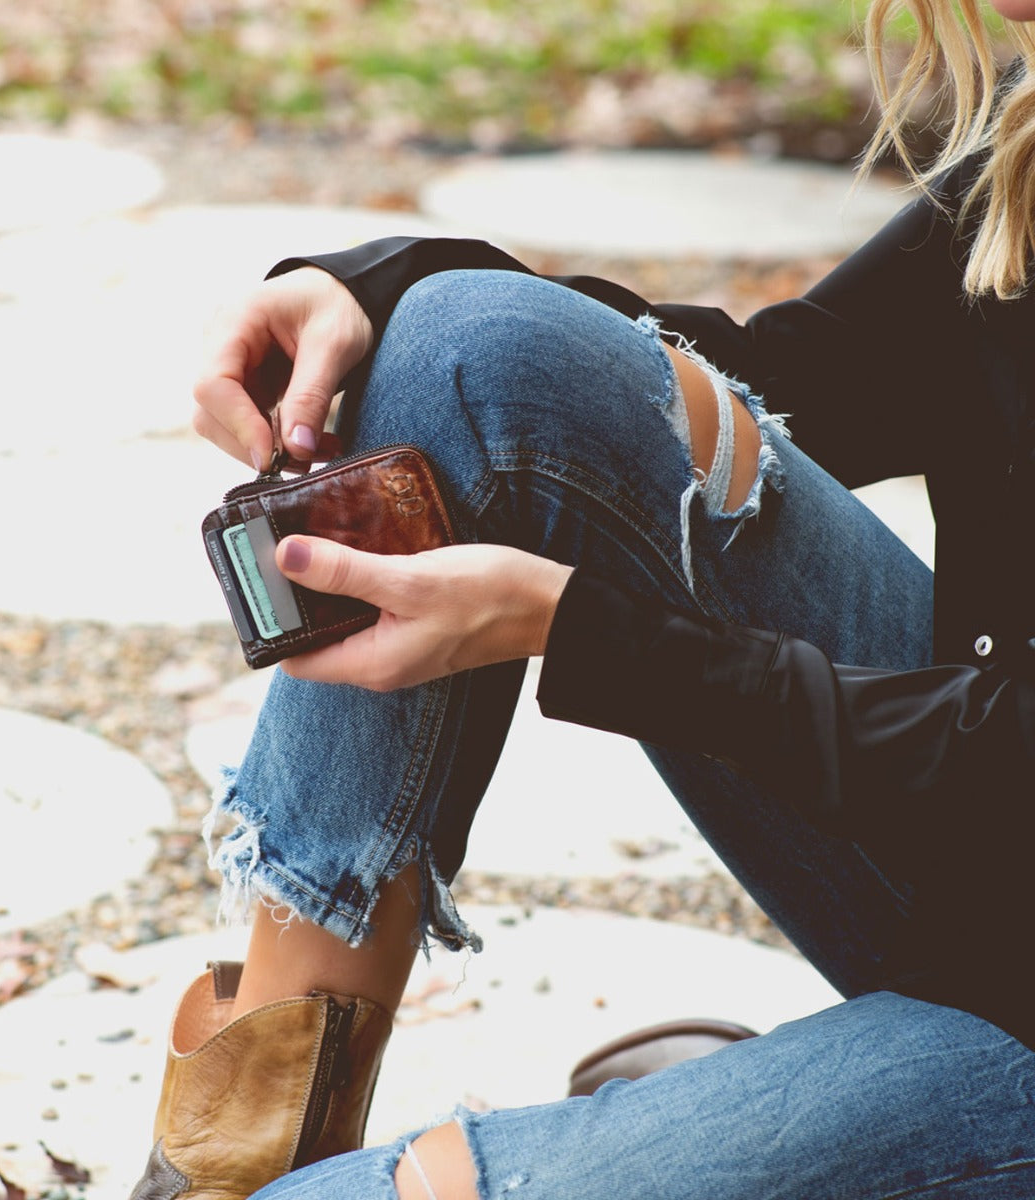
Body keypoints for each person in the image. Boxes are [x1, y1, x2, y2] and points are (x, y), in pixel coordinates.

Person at [132, 0, 1035, 1196]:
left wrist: (580, 631)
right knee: (467, 351)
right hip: (981, 873)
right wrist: (374, 289)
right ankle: (233, 1143)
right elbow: (783, 385)